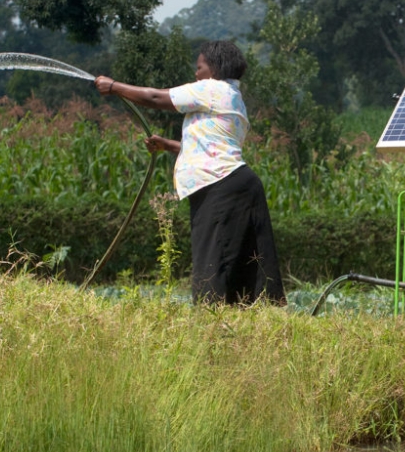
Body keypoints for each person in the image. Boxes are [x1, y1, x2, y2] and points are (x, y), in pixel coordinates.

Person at [94, 40, 286, 306]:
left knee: (213, 263)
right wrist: (169, 145)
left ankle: (211, 322)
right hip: (237, 185)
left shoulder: (212, 88)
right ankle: (238, 320)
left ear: (214, 68)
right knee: (239, 265)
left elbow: (156, 98)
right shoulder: (233, 96)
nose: (196, 74)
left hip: (221, 187)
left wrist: (114, 87)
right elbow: (212, 146)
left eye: (199, 67)